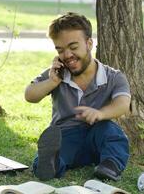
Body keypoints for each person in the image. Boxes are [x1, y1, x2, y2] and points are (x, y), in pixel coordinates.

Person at [24, 12, 131, 181]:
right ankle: (51, 166)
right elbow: (30, 95)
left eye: (73, 47)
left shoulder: (113, 77)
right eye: (60, 50)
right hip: (66, 136)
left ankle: (110, 165)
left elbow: (123, 104)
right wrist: (52, 82)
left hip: (97, 135)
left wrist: (100, 114)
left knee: (111, 132)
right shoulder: (57, 74)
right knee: (56, 151)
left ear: (89, 43)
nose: (67, 55)